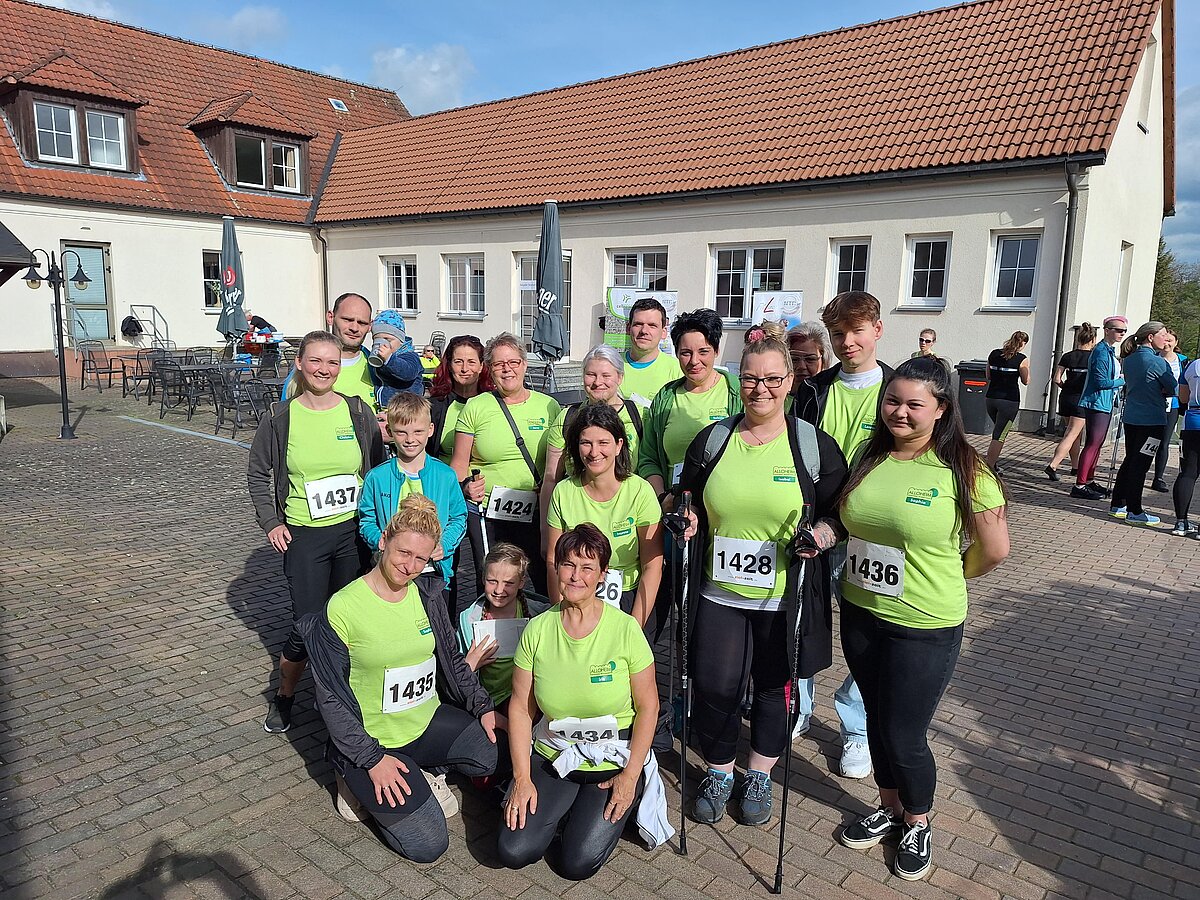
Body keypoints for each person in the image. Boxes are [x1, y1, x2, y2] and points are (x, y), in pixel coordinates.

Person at [836, 357, 1010, 881]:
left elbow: (995, 549)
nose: (901, 413)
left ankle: (918, 820)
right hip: (861, 610)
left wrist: (952, 576)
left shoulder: (966, 469)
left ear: (941, 409)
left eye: (915, 404)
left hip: (925, 622)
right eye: (893, 401)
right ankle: (889, 809)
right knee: (875, 715)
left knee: (903, 731)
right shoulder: (868, 456)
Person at [679, 331, 848, 826]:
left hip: (784, 596)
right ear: (740, 381)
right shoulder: (714, 439)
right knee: (715, 686)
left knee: (775, 688)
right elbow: (685, 495)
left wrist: (820, 534)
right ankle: (720, 769)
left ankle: (759, 773)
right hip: (720, 594)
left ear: (791, 382)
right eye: (751, 379)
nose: (761, 389)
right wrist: (686, 518)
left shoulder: (813, 447)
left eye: (773, 379)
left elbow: (842, 515)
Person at [297, 495, 499, 861]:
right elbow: (329, 698)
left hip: (424, 723)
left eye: (420, 559)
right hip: (371, 740)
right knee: (429, 844)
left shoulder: (428, 595)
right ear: (384, 539)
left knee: (490, 753)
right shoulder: (343, 607)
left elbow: (452, 661)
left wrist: (482, 705)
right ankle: (349, 775)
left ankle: (421, 769)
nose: (410, 566)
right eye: (404, 552)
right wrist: (372, 760)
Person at [498, 524, 671, 881]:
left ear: (602, 574)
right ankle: (565, 813)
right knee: (514, 851)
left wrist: (630, 775)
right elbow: (519, 708)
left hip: (612, 762)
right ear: (557, 568)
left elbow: (649, 707)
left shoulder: (625, 630)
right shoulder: (538, 629)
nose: (576, 575)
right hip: (555, 754)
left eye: (587, 567)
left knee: (576, 864)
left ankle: (623, 802)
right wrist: (521, 777)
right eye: (568, 564)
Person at [248, 330, 385, 734]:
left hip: (352, 534)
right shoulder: (280, 417)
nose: (324, 369)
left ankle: (342, 696)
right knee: (308, 622)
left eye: (332, 362)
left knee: (349, 619)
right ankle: (286, 695)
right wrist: (271, 522)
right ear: (300, 364)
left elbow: (376, 471)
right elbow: (258, 472)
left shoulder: (358, 413)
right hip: (305, 535)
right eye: (316, 361)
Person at [793, 290, 894, 779]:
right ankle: (799, 704)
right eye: (838, 334)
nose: (848, 342)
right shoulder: (815, 389)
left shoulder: (901, 387)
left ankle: (857, 729)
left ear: (877, 329)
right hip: (818, 526)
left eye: (856, 331)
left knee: (867, 629)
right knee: (805, 616)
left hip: (875, 532)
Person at [451, 333, 561, 596]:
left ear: (524, 364)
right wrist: (466, 487)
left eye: (513, 362)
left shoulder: (549, 406)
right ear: (489, 369)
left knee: (542, 579)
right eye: (499, 364)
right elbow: (458, 465)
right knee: (494, 584)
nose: (507, 369)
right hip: (488, 511)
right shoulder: (476, 407)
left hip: (537, 512)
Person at [546, 403, 663, 624]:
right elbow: (553, 560)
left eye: (603, 443)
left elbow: (652, 564)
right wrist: (561, 616)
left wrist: (634, 626)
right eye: (586, 443)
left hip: (628, 597)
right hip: (576, 597)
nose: (594, 452)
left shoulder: (640, 491)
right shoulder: (563, 492)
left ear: (619, 445)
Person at [359, 393, 467, 600]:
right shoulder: (377, 477)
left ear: (430, 430)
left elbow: (458, 517)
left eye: (418, 431)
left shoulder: (445, 475)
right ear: (389, 432)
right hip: (390, 572)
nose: (410, 440)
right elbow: (367, 520)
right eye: (401, 433)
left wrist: (444, 544)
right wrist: (379, 541)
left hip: (434, 572)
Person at [540, 345, 645, 542]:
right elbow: (551, 478)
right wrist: (545, 534)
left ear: (620, 377)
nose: (598, 382)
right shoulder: (567, 418)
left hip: (626, 520)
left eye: (606, 375)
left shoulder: (640, 415)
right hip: (577, 517)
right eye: (591, 374)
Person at [458, 544, 552, 712]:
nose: (499, 590)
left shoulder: (540, 615)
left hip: (529, 702)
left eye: (508, 583)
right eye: (492, 581)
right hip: (486, 705)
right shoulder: (468, 620)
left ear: (522, 582)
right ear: (482, 579)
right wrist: (469, 664)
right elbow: (455, 675)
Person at [1109, 322, 1177, 525]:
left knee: (1130, 460)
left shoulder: (1128, 360)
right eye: (1163, 335)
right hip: (1152, 420)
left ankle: (1117, 504)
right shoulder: (1158, 362)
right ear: (1150, 337)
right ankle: (1135, 510)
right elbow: (1173, 387)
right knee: (1141, 464)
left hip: (1131, 417)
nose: (1165, 339)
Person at [281, 292, 378, 407]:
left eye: (362, 323)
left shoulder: (378, 368)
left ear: (370, 326)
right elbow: (285, 418)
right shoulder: (307, 371)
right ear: (330, 317)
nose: (354, 328)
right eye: (347, 320)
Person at [1071, 316, 1127, 499]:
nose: (1122, 334)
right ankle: (1080, 485)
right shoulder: (1102, 352)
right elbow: (1101, 382)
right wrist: (1123, 380)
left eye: (1124, 331)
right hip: (1097, 402)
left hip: (1104, 402)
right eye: (1119, 330)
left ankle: (1088, 480)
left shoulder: (1108, 351)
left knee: (1097, 444)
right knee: (1093, 443)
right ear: (1107, 330)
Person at [427, 335, 493, 462]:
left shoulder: (493, 403)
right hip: (445, 478)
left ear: (481, 366)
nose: (464, 369)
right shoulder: (434, 407)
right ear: (450, 365)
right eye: (458, 362)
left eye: (471, 362)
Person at [1044, 323, 1097, 481]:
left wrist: (1065, 386)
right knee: (1071, 434)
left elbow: (1056, 379)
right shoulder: (1093, 358)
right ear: (1093, 340)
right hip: (1082, 399)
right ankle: (1053, 465)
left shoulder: (1068, 355)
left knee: (1075, 433)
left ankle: (1075, 466)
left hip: (1066, 397)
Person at [621, 297, 681, 409]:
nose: (644, 331)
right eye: (638, 324)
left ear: (664, 332)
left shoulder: (677, 371)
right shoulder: (611, 365)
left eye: (652, 325)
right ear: (628, 328)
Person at [983, 331, 1030, 470]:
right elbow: (1026, 380)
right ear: (1023, 343)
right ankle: (989, 468)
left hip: (991, 398)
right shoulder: (1022, 358)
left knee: (998, 430)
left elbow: (988, 375)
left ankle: (994, 463)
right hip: (1009, 401)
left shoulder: (994, 354)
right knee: (1000, 435)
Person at [1152, 329, 1188, 493]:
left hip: (1172, 405)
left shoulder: (1183, 361)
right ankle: (1138, 472)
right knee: (1151, 440)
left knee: (1164, 442)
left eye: (1170, 340)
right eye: (1165, 340)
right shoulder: (1153, 358)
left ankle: (1158, 478)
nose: (1167, 343)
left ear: (1176, 343)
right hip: (1153, 403)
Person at [1171, 355, 1200, 536]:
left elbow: (1182, 397)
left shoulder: (1193, 365)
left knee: (1188, 473)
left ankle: (1181, 521)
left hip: (1193, 422)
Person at [369, 309, 424, 403]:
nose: (382, 344)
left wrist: (389, 359)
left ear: (401, 340)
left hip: (406, 408)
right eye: (377, 339)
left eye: (388, 340)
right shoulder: (381, 357)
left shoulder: (410, 355)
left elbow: (408, 373)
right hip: (385, 408)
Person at [787, 321, 832, 387]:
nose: (801, 366)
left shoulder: (832, 394)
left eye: (810, 359)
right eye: (794, 359)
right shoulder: (774, 395)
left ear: (824, 361)